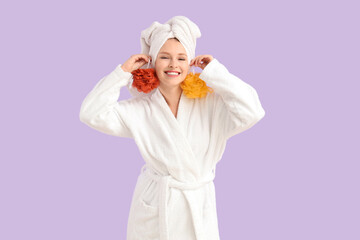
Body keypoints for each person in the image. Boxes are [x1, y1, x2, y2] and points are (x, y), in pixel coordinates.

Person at [79, 16, 265, 240]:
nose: (173, 65)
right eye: (164, 57)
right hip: (157, 209)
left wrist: (217, 72)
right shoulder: (140, 109)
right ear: (153, 61)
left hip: (198, 207)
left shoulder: (210, 103)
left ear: (190, 63)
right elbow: (91, 113)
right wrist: (123, 71)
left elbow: (253, 111)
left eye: (181, 58)